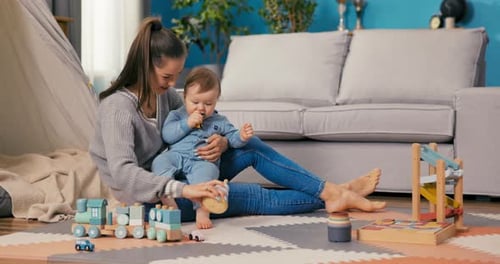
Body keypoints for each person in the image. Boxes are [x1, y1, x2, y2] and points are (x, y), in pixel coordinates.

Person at [89, 17, 386, 225]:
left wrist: (219, 141)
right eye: (167, 76)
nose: (173, 84)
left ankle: (330, 191)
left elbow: (200, 122)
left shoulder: (165, 95)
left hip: (186, 172)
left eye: (177, 76)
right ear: (144, 66)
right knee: (252, 197)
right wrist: (185, 190)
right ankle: (335, 193)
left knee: (250, 147)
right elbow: (124, 173)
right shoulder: (117, 107)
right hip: (155, 198)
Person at [152, 67, 254, 228]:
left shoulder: (218, 120)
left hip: (202, 160)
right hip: (176, 155)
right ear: (185, 97)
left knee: (209, 174)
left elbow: (232, 139)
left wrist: (241, 136)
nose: (201, 108)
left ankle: (203, 210)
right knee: (159, 162)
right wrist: (187, 124)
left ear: (216, 101)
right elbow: (167, 135)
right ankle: (168, 199)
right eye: (195, 102)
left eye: (208, 103)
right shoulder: (177, 115)